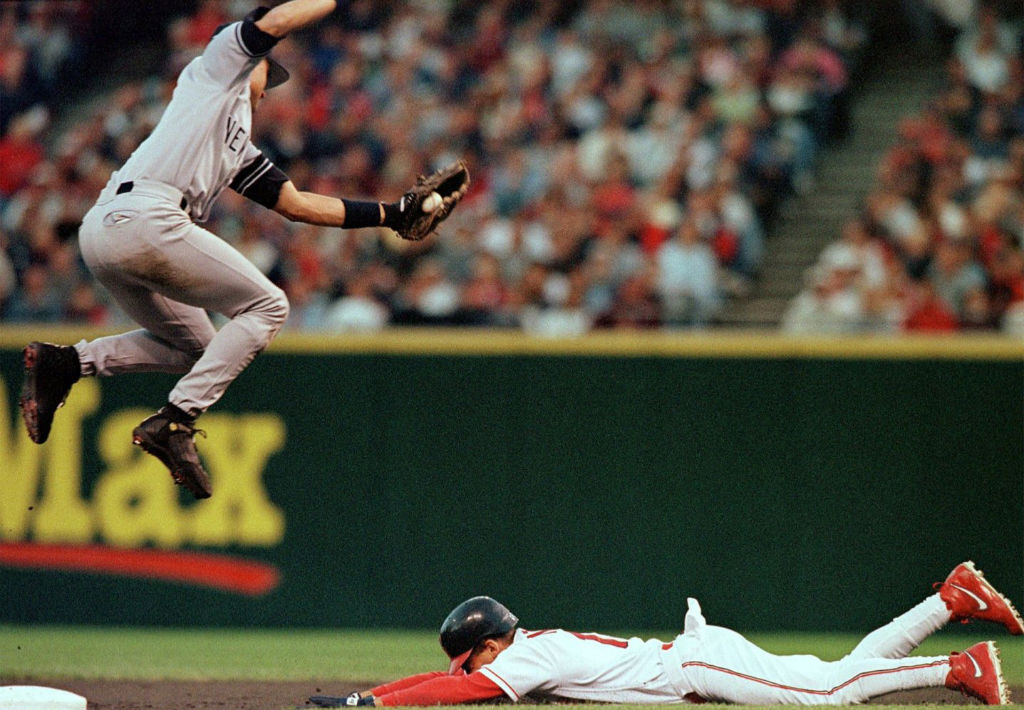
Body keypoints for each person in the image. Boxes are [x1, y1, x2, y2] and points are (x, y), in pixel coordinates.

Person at [18, 0, 461, 499]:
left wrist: (390, 214)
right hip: (146, 215)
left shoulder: (234, 141)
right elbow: (272, 22)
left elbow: (296, 205)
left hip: (109, 230)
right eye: (269, 73)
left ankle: (68, 364)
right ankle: (176, 421)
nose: (269, 90)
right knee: (269, 306)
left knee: (201, 350)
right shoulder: (216, 69)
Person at [311, 561, 1022, 707]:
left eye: (474, 657)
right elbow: (447, 679)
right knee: (834, 673)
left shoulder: (527, 656)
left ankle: (954, 669)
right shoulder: (526, 649)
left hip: (698, 667)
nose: (471, 670)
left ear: (493, 641)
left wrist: (373, 704)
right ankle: (947, 602)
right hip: (698, 659)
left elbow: (448, 689)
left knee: (825, 696)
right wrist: (364, 697)